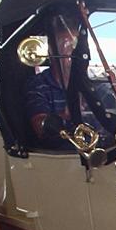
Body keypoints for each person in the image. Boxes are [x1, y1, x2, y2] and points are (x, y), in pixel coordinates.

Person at [25, 12, 80, 146]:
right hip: (62, 158)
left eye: (76, 45)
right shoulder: (38, 85)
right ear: (50, 50)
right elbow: (41, 126)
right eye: (66, 45)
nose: (72, 51)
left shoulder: (95, 85)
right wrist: (67, 115)